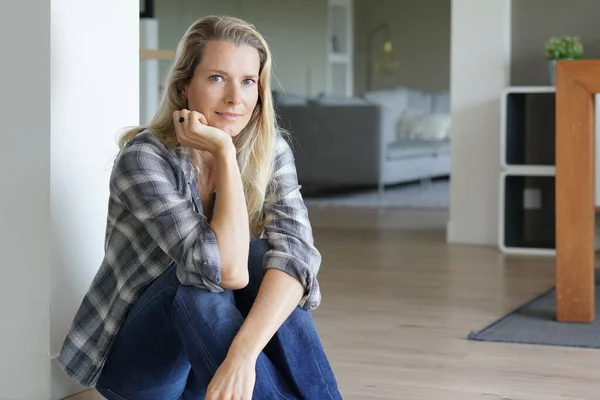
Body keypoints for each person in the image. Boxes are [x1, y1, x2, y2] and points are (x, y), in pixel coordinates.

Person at [57, 15, 342, 400]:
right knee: (194, 284)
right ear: (184, 86)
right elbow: (225, 272)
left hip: (215, 367)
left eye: (248, 81)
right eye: (216, 78)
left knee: (270, 262)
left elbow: (298, 259)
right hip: (142, 370)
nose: (235, 99)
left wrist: (242, 355)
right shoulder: (144, 159)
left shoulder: (270, 152)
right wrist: (224, 151)